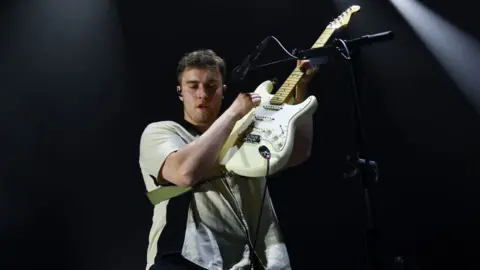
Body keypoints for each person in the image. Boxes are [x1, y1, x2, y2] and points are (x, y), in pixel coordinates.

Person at [139, 49, 318, 270]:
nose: (202, 94)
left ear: (223, 91)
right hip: (187, 260)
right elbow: (184, 173)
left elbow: (298, 152)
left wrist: (301, 88)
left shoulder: (247, 133)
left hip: (255, 261)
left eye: (211, 86)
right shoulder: (162, 132)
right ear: (180, 92)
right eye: (193, 86)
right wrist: (234, 112)